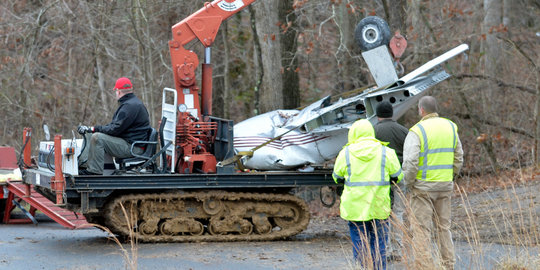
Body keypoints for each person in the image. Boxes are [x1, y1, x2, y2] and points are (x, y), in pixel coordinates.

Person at [402, 96, 463, 269]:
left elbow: (411, 162)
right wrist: (450, 176)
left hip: (422, 189)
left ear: (421, 110)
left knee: (421, 230)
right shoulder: (451, 127)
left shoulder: (417, 131)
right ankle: (448, 265)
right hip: (444, 186)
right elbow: (459, 157)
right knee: (444, 228)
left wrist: (409, 183)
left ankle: (424, 266)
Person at [333, 119, 403, 270]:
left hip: (355, 208)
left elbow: (337, 177)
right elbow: (398, 175)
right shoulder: (386, 152)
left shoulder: (345, 153)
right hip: (379, 206)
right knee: (379, 242)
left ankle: (362, 268)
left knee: (359, 241)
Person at [77, 77, 152, 175]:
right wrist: (91, 129)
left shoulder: (129, 107)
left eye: (116, 91)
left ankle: (94, 172)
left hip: (133, 147)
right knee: (90, 134)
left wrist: (95, 128)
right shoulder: (132, 103)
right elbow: (115, 126)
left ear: (119, 91)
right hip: (129, 142)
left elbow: (114, 130)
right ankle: (84, 165)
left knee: (97, 137)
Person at [373, 101, 408, 262]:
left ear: (377, 114)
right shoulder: (403, 131)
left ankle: (384, 250)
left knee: (382, 214)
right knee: (398, 213)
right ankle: (398, 251)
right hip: (400, 176)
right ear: (391, 113)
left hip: (380, 178)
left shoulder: (374, 131)